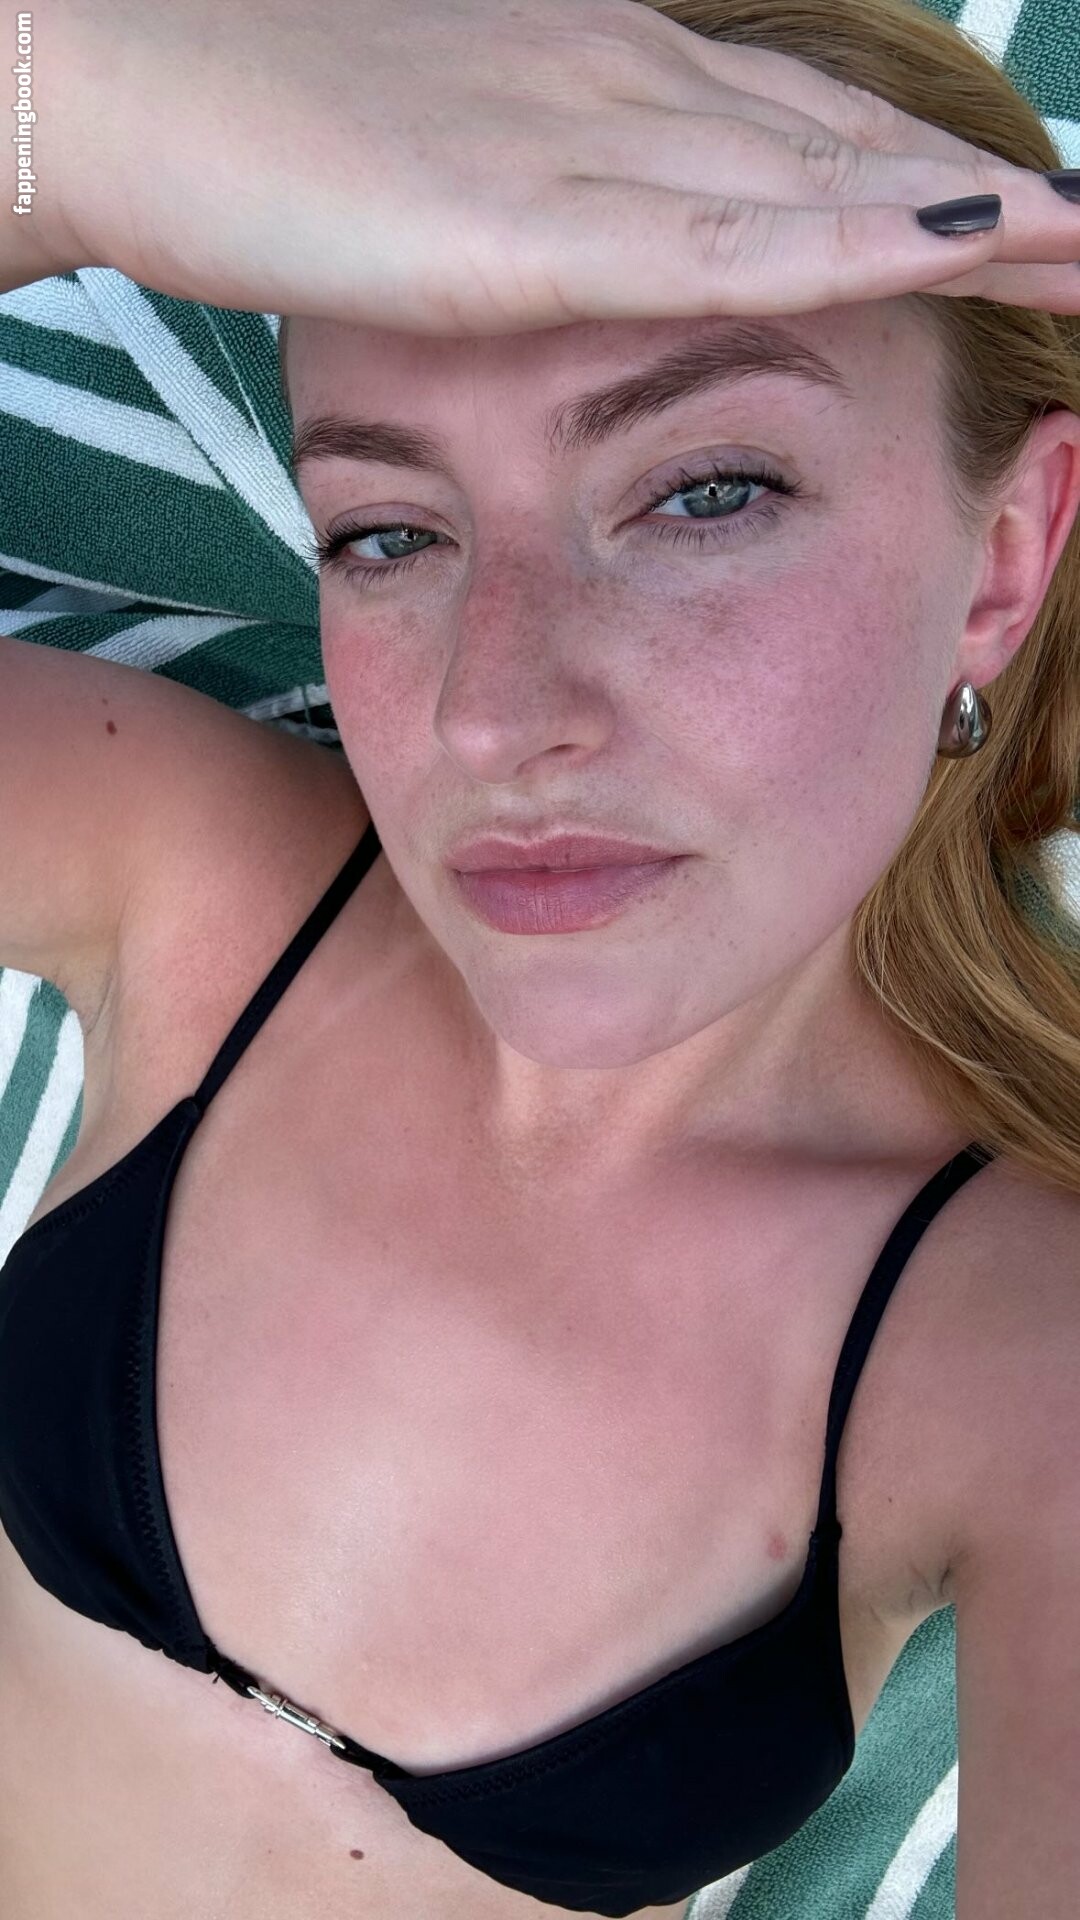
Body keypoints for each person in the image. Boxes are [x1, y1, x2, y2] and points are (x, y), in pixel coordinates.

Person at [1, 1, 1079, 1916]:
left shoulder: (1016, 1353)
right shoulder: (207, 875)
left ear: (1002, 557)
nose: (493, 717)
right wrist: (61, 120)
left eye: (706, 491)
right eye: (387, 532)